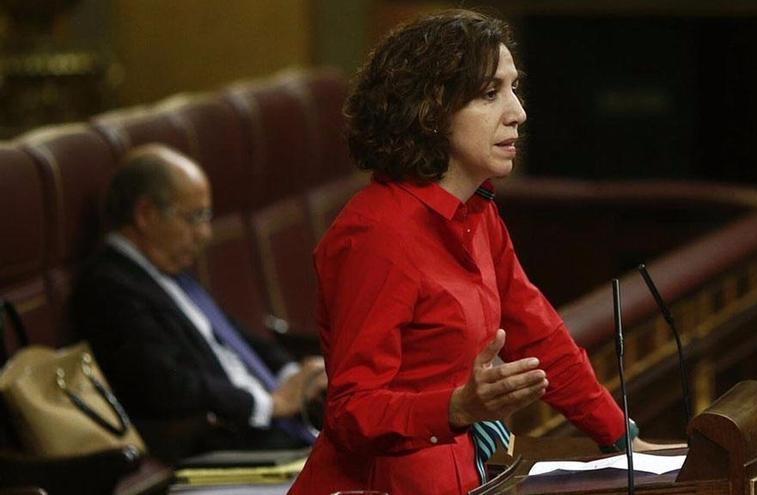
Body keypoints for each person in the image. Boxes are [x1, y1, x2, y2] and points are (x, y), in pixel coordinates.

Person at [290, 9, 669, 494]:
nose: (517, 112)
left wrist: (621, 438)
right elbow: (350, 411)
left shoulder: (476, 211)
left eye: (513, 88)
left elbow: (538, 335)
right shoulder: (376, 235)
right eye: (490, 94)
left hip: (467, 476)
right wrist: (456, 407)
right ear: (430, 110)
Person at [71, 144, 325, 461]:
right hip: (227, 441)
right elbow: (166, 386)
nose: (204, 233)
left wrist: (296, 378)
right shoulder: (109, 287)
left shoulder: (167, 269)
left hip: (270, 425)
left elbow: (236, 338)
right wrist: (268, 404)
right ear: (146, 215)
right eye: (194, 217)